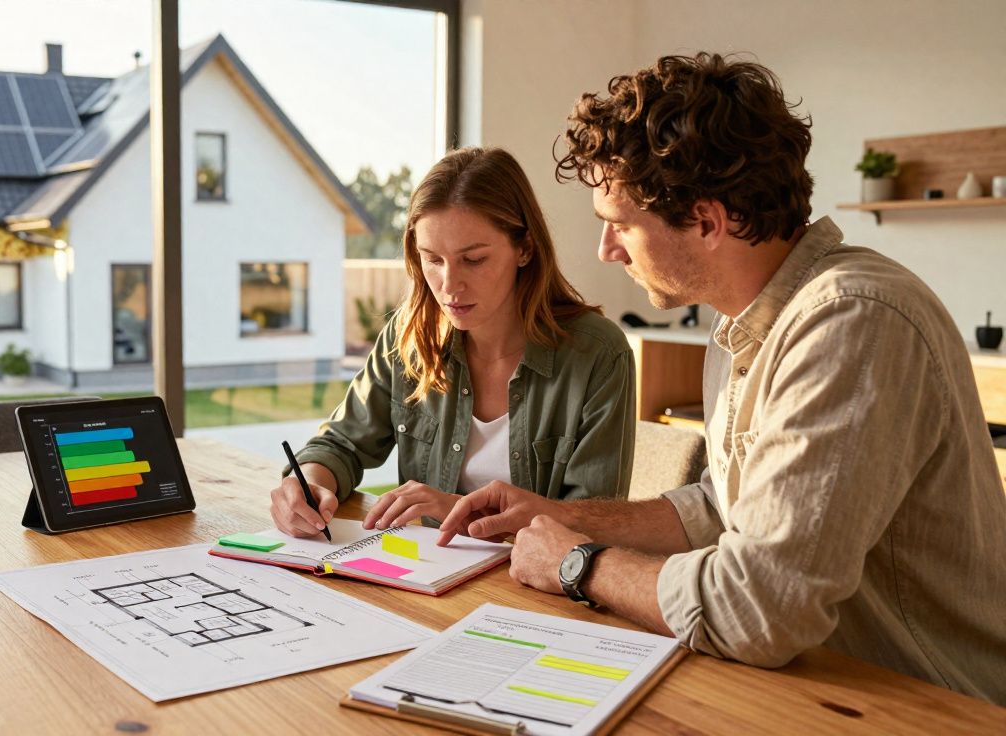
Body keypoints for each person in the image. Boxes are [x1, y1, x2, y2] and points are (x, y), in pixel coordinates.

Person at [439, 54, 1006, 704]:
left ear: (708, 221)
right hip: (810, 689)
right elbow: (719, 509)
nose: (607, 250)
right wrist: (559, 515)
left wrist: (578, 563)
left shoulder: (851, 321)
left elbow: (761, 607)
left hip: (931, 707)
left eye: (620, 224)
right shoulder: (742, 320)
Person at [269, 146, 636, 539]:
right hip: (428, 582)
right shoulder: (409, 336)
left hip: (534, 591)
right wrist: (309, 483)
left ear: (525, 248)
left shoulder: (598, 355)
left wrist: (459, 514)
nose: (449, 285)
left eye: (473, 260)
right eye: (432, 259)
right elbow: (341, 443)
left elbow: (594, 526)